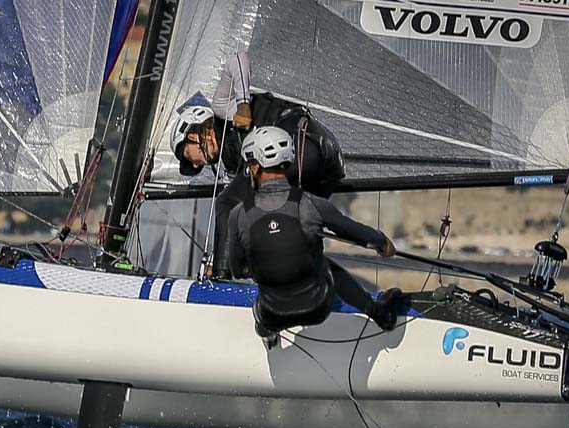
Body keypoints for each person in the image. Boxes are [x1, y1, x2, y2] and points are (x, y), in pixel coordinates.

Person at [170, 50, 346, 277]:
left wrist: (243, 104)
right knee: (290, 239)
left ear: (193, 133)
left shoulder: (222, 109)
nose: (195, 165)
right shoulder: (235, 169)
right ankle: (336, 289)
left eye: (187, 156)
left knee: (227, 202)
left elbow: (237, 58)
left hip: (304, 144)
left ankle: (222, 277)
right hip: (326, 167)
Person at [227, 126, 403, 346]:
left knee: (267, 292)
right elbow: (352, 230)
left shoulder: (238, 215)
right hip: (317, 308)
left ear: (256, 165)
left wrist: (267, 262)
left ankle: (267, 332)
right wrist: (382, 242)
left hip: (272, 314)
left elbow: (237, 269)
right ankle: (381, 315)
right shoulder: (309, 203)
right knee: (323, 263)